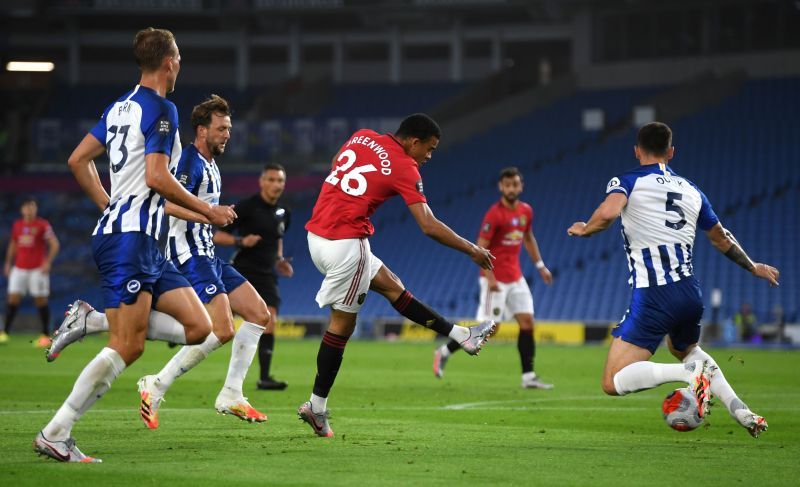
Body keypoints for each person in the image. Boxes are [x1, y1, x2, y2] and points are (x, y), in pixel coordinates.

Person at [33, 28, 236, 463]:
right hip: (131, 240)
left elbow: (77, 159)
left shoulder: (118, 107)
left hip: (144, 240)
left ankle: (92, 322)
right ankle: (57, 431)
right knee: (130, 345)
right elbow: (157, 178)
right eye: (178, 57)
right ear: (168, 62)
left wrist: (107, 203)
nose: (179, 64)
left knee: (202, 329)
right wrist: (208, 211)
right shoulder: (163, 108)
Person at [46, 95, 271, 428]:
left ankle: (231, 393)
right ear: (201, 130)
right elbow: (165, 202)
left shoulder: (211, 163)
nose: (227, 134)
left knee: (258, 314)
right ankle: (155, 380)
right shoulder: (189, 162)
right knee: (220, 327)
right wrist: (208, 214)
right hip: (187, 254)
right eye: (221, 128)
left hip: (207, 252)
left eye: (229, 129)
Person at [567, 122, 779, 438]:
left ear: (637, 150)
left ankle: (688, 374)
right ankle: (741, 410)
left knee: (612, 381)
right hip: (689, 294)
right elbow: (720, 237)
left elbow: (609, 213)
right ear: (671, 152)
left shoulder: (628, 180)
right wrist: (752, 266)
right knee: (685, 348)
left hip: (654, 294)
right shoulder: (693, 191)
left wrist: (586, 228)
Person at [298, 113, 497, 438]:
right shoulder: (406, 167)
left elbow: (337, 162)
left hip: (316, 236)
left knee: (393, 286)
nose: (429, 157)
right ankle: (317, 408)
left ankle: (462, 336)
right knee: (343, 325)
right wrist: (472, 249)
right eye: (429, 149)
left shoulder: (362, 135)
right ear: (413, 141)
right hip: (347, 245)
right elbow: (428, 225)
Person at [432, 167, 554, 388]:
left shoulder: (526, 211)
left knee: (527, 323)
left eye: (515, 184)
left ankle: (528, 377)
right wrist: (490, 277)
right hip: (495, 279)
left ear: (521, 186)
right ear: (501, 187)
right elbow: (481, 247)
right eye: (507, 185)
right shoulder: (494, 214)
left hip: (516, 277)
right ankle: (444, 351)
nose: (511, 188)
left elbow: (528, 238)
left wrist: (540, 266)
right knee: (490, 328)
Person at [213, 163, 293, 391]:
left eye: (280, 181)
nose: (276, 185)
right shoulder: (247, 207)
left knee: (269, 320)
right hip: (243, 271)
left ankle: (264, 377)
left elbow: (278, 238)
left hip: (267, 274)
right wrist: (240, 241)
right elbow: (217, 236)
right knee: (218, 320)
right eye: (271, 180)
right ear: (262, 182)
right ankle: (184, 328)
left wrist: (279, 260)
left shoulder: (283, 213)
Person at [2, 197, 59, 346]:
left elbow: (54, 244)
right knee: (12, 299)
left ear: (36, 209)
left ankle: (45, 335)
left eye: (32, 207)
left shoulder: (42, 225)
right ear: (22, 209)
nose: (29, 209)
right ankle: (5, 333)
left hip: (37, 270)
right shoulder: (18, 225)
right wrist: (8, 263)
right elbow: (13, 244)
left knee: (41, 300)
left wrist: (47, 262)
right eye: (27, 207)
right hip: (19, 268)